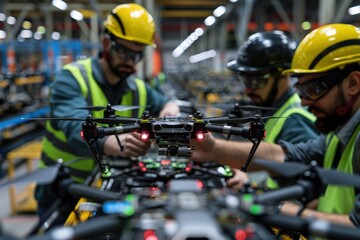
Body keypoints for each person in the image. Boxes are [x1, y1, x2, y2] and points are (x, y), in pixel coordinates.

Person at [191, 23, 360, 226]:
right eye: (302, 89)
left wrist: (272, 205)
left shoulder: (303, 119)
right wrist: (213, 149)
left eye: (315, 88)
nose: (305, 102)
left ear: (353, 83)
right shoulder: (339, 131)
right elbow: (285, 155)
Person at [35, 3, 179, 222]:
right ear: (105, 44)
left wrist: (170, 114)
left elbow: (167, 103)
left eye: (136, 55)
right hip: (64, 190)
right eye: (123, 51)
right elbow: (74, 126)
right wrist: (111, 142)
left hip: (109, 187)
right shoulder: (71, 78)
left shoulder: (137, 87)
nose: (129, 62)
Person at [225, 31, 319, 190]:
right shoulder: (273, 111)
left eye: (255, 81)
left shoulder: (294, 121)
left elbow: (307, 189)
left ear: (282, 76)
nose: (247, 90)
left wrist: (251, 181)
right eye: (245, 80)